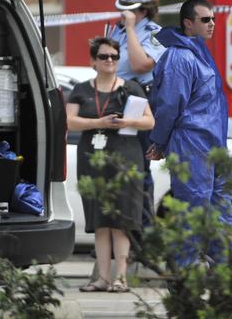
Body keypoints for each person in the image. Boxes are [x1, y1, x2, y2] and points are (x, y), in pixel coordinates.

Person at [145, 0, 232, 267]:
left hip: (214, 145)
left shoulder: (198, 52)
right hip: (192, 144)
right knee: (191, 215)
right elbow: (170, 105)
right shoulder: (180, 57)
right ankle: (184, 281)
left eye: (213, 19)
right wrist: (159, 142)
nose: (212, 24)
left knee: (222, 213)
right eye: (205, 20)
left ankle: (229, 278)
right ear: (188, 23)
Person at [66, 37, 154, 293]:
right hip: (93, 158)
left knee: (122, 220)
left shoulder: (132, 89)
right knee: (100, 219)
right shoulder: (82, 89)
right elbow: (70, 122)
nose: (109, 61)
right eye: (104, 57)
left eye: (114, 57)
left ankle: (121, 278)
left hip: (126, 158)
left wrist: (128, 122)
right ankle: (102, 277)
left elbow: (150, 121)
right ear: (93, 61)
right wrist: (99, 122)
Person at [107, 0, 166, 228]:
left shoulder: (153, 33)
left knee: (138, 167)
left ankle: (143, 231)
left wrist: (131, 29)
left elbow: (140, 64)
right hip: (115, 98)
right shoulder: (115, 30)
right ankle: (118, 230)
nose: (122, 15)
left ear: (141, 10)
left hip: (139, 99)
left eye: (127, 11)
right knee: (114, 167)